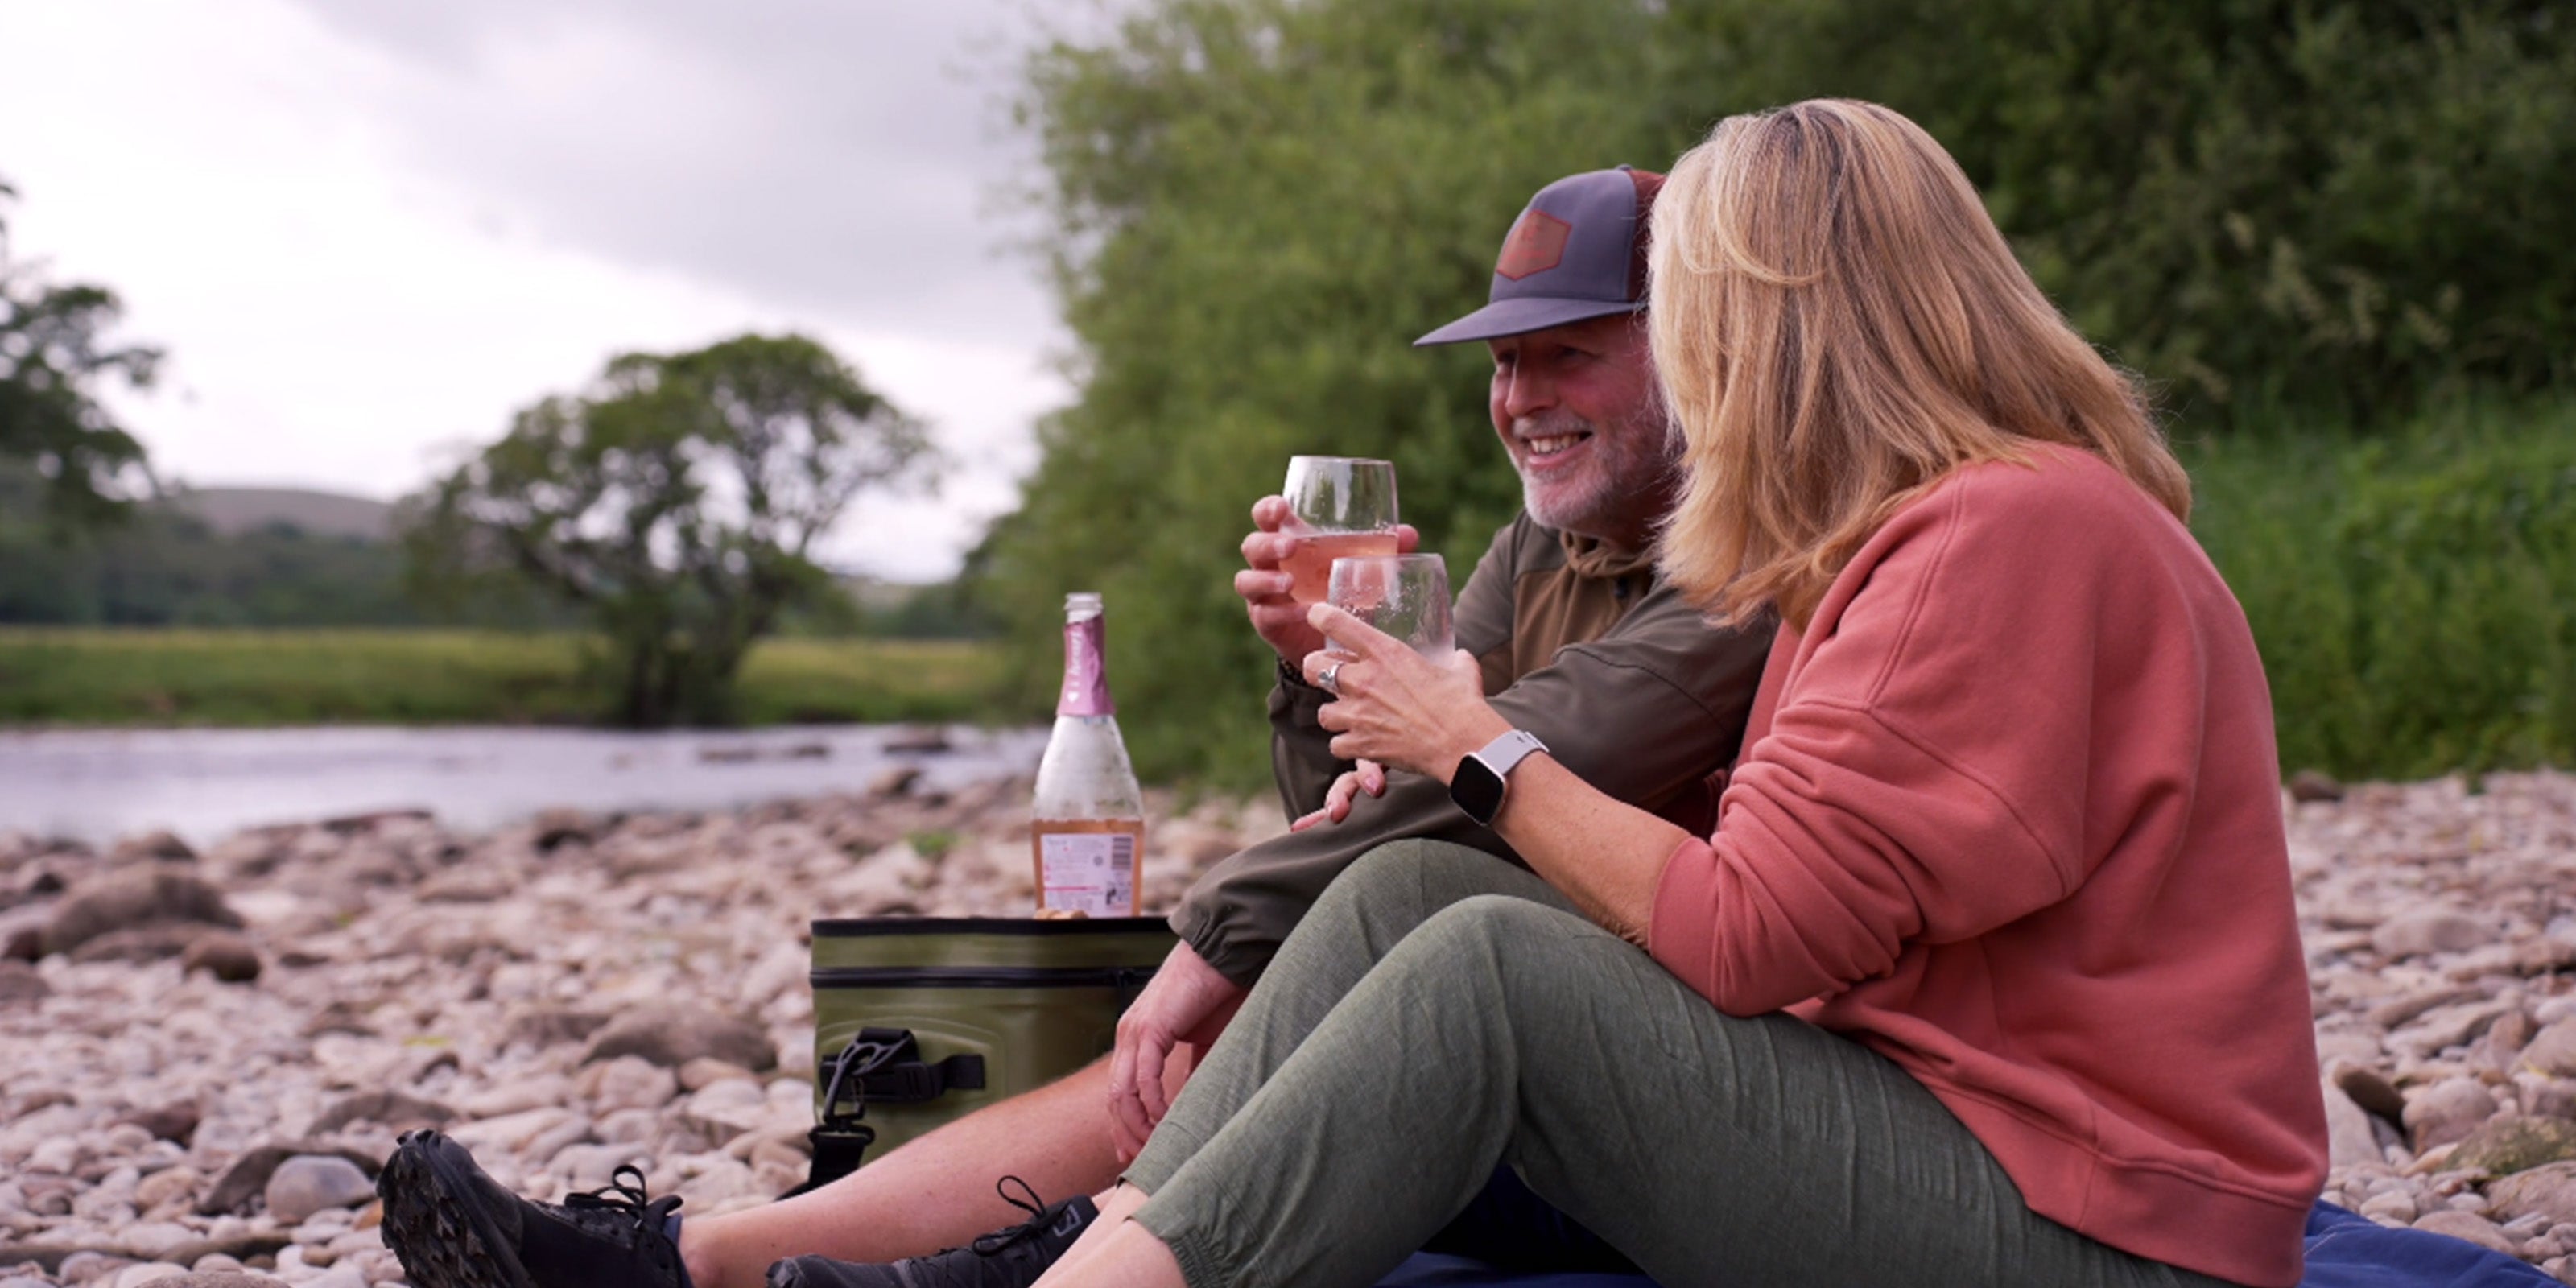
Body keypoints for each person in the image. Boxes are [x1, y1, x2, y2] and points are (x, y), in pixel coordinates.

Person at [824, 97, 2332, 1288]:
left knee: (1491, 968)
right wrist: (1351, 705)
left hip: (2107, 1232)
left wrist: (1476, 749)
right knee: (1415, 902)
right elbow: (1420, 826)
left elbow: (1745, 936)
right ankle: (1072, 1263)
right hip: (1977, 1140)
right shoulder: (1903, 540)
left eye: (1686, 316)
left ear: (1784, 322)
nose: (1687, 356)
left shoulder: (2004, 531)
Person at [377, 166, 1777, 1288]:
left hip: (1639, 1103)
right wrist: (1311, 675)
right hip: (1505, 1019)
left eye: (1569, 356)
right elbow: (1364, 801)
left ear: (1694, 353)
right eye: (1504, 361)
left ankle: (799, 1262)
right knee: (1321, 963)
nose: (1520, 399)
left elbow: (1481, 779)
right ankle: (720, 1260)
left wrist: (1205, 939)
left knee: (1297, 987)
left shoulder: (1750, 569)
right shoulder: (1551, 550)